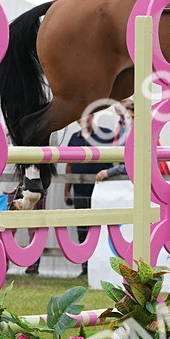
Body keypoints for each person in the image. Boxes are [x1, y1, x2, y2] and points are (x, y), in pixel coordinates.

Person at [64, 114, 115, 277]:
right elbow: (69, 165)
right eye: (80, 117)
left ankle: (103, 266)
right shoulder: (74, 138)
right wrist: (67, 190)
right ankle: (86, 268)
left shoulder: (106, 134)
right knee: (82, 229)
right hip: (80, 190)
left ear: (93, 116)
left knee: (103, 228)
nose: (83, 120)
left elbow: (117, 161)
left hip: (102, 190)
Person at [95, 98, 134, 183]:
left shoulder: (138, 126)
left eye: (122, 101)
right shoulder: (120, 126)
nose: (117, 105)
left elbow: (136, 163)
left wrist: (111, 171)